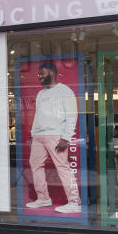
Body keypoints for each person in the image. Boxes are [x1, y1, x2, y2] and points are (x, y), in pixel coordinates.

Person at [27, 61, 80, 214]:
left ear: (52, 72)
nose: (39, 76)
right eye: (39, 74)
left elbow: (72, 116)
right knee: (35, 165)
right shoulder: (40, 93)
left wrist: (66, 137)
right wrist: (33, 135)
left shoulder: (65, 91)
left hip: (56, 135)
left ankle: (74, 202)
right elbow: (37, 116)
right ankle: (43, 198)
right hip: (39, 136)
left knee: (62, 168)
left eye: (42, 73)